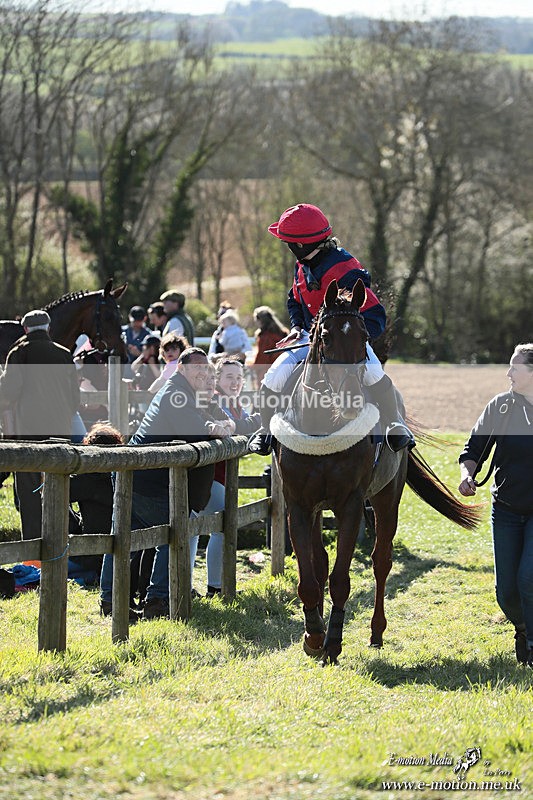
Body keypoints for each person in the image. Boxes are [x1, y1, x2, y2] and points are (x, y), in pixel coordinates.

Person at [248, 203, 414, 455]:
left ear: (301, 244)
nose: (287, 247)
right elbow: (293, 300)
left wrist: (350, 338)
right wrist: (296, 327)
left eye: (288, 242)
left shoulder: (345, 269)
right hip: (308, 338)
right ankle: (264, 430)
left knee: (373, 373)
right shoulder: (302, 264)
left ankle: (394, 424)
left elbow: (376, 316)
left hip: (346, 340)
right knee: (274, 375)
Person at [99, 347, 223, 619]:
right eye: (197, 370)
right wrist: (215, 428)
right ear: (181, 369)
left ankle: (114, 600)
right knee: (173, 530)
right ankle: (155, 599)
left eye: (206, 370)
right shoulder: (176, 394)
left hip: (139, 476)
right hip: (144, 479)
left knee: (123, 539)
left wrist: (216, 424)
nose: (202, 374)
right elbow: (196, 431)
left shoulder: (183, 392)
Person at [458, 343, 533, 667]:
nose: (508, 373)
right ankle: (521, 628)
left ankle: (532, 641)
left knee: (528, 578)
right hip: (505, 509)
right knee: (506, 591)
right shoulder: (501, 407)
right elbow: (472, 449)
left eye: (515, 368)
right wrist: (467, 476)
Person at [0, 309, 80, 539]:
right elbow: (75, 398)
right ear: (48, 328)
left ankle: (34, 558)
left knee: (29, 495)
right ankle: (61, 546)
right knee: (58, 491)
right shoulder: (65, 354)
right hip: (60, 433)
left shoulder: (19, 353)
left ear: (25, 329)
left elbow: (9, 394)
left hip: (28, 434)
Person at [193, 358, 260, 597]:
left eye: (239, 378)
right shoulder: (218, 401)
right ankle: (215, 586)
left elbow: (245, 428)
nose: (235, 382)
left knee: (195, 529)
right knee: (222, 525)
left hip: (218, 477)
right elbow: (240, 428)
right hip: (210, 477)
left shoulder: (235, 404)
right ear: (218, 378)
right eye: (229, 377)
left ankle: (194, 585)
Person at [69, 423, 125, 588]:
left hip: (89, 555)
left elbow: (49, 495)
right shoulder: (124, 475)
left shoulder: (84, 479)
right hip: (122, 551)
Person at [252, 306, 289, 384]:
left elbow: (262, 358)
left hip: (266, 373)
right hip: (282, 371)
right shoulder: (281, 334)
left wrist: (253, 367)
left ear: (260, 321)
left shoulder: (265, 338)